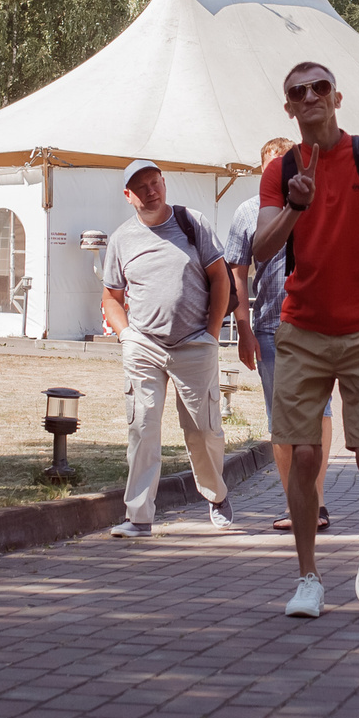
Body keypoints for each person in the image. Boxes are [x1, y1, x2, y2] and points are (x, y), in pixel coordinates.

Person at [248, 60, 359, 618]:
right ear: (289, 107)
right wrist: (295, 204)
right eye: (298, 91)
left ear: (337, 97)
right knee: (304, 452)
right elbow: (262, 250)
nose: (310, 95)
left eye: (319, 87)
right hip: (301, 327)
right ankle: (308, 577)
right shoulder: (280, 170)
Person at [100, 159, 235, 538]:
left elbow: (220, 278)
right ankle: (138, 517)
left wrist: (211, 332)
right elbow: (112, 296)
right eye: (141, 187)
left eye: (155, 182)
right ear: (128, 196)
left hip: (195, 343)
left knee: (202, 431)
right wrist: (126, 335)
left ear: (164, 184)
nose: (151, 191)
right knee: (142, 427)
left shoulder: (192, 222)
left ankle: (216, 495)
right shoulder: (122, 239)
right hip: (143, 345)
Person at [223, 137, 327, 535]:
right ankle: (296, 503)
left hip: (319, 325)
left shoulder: (317, 204)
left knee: (319, 415)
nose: (278, 171)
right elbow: (237, 274)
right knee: (282, 421)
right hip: (271, 325)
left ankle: (317, 504)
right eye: (271, 165)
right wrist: (243, 330)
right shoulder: (248, 212)